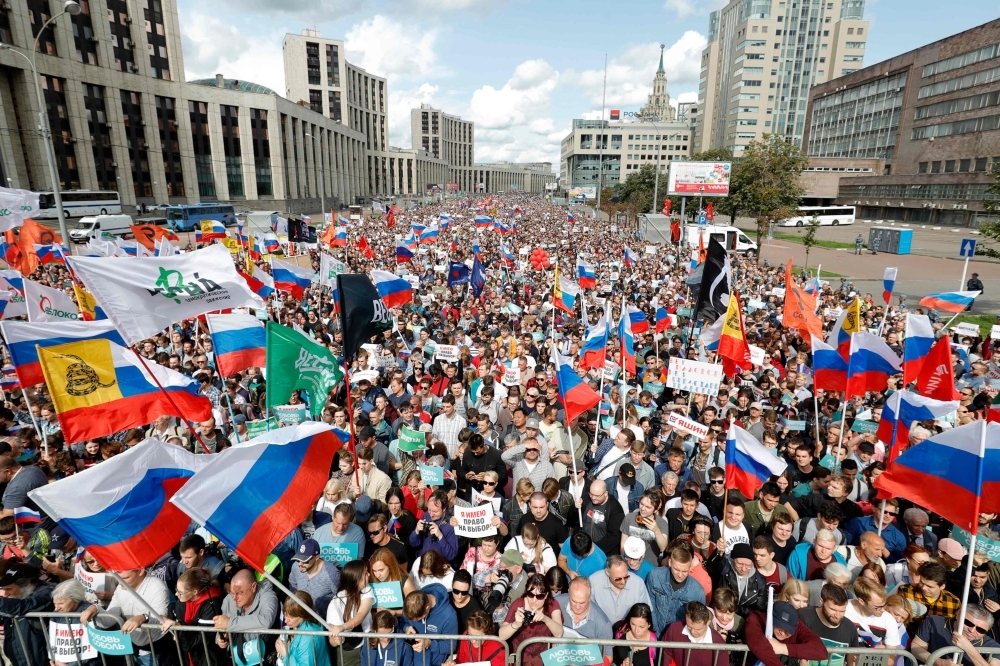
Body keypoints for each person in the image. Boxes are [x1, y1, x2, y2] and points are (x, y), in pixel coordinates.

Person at [82, 565, 173, 666]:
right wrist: (96, 609)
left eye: (125, 578)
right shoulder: (120, 588)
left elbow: (162, 619)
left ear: (140, 571)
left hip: (157, 648)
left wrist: (143, 617)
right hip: (132, 648)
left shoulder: (156, 586)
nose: (120, 582)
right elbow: (109, 620)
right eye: (117, 577)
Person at [161, 568, 225, 666]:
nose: (176, 594)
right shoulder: (181, 601)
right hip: (189, 657)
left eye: (180, 592)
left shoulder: (211, 603)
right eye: (176, 589)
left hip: (208, 658)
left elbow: (203, 639)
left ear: (195, 592)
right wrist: (176, 632)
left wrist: (178, 627)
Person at [744, 600, 828, 666]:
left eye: (788, 630)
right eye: (779, 626)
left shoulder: (798, 624)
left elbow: (821, 651)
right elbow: (759, 646)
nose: (782, 633)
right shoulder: (756, 618)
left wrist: (782, 648)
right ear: (770, 618)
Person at [645, 545, 706, 636]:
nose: (680, 575)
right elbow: (650, 606)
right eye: (676, 569)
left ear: (690, 567)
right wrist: (655, 633)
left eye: (685, 571)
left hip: (679, 638)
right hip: (654, 633)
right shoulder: (654, 576)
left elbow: (697, 621)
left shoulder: (698, 592)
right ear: (670, 562)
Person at [911, 604, 1000, 666]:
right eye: (968, 623)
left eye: (980, 629)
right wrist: (939, 662)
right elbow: (916, 646)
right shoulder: (934, 622)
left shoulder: (993, 646)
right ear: (958, 615)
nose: (972, 630)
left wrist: (968, 648)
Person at [327, 560, 375, 666]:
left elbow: (361, 615)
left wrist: (342, 627)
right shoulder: (336, 602)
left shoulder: (367, 590)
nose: (369, 574)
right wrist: (337, 639)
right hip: (350, 651)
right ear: (356, 578)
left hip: (368, 644)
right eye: (365, 573)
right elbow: (332, 640)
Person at [798, 584, 860, 664]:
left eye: (842, 611)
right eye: (833, 609)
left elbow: (852, 662)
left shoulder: (850, 627)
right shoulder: (804, 617)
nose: (837, 615)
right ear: (821, 601)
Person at [401, 585, 459, 666]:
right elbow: (402, 622)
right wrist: (406, 628)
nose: (414, 622)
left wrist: (430, 644)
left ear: (427, 608)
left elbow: (451, 646)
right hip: (410, 662)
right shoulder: (410, 605)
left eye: (418, 619)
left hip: (435, 663)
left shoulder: (449, 615)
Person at [590, 555, 652, 627]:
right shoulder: (594, 582)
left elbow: (646, 613)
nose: (623, 582)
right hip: (600, 630)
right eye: (618, 579)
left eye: (626, 577)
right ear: (607, 572)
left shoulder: (638, 584)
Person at [275, 592, 334, 666]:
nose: (286, 620)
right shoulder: (312, 618)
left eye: (291, 617)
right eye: (285, 614)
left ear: (303, 614)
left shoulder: (308, 637)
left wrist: (285, 655)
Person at [50, 579, 100, 666]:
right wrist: (55, 660)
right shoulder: (56, 614)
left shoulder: (89, 613)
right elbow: (51, 641)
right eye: (55, 604)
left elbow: (91, 648)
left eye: (61, 603)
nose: (56, 608)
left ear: (75, 599)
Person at [571, 478, 626, 557]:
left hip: (602, 552)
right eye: (591, 494)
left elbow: (614, 536)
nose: (593, 498)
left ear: (606, 493)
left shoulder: (615, 508)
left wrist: (593, 548)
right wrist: (575, 508)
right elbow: (572, 521)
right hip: (582, 548)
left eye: (597, 496)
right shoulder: (585, 498)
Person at [661, 601, 725, 666]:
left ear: (708, 623)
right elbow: (665, 654)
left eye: (698, 629)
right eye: (689, 626)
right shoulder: (674, 629)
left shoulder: (718, 642)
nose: (692, 631)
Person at [711, 542, 767, 617]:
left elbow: (759, 610)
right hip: (721, 615)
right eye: (739, 564)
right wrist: (719, 552)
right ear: (733, 560)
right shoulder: (724, 570)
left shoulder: (760, 582)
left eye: (748, 565)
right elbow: (714, 564)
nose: (743, 569)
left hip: (745, 620)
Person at [844, 577, 900, 650]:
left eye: (885, 604)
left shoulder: (889, 620)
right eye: (877, 607)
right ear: (861, 601)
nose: (883, 610)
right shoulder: (843, 610)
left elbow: (891, 657)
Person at [289, 539, 341, 616]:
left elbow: (342, 598)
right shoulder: (295, 566)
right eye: (298, 559)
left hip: (322, 621)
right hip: (300, 616)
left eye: (305, 560)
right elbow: (293, 585)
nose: (300, 564)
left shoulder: (332, 574)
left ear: (317, 557)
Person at [555, 576, 614, 643]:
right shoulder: (556, 603)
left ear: (589, 597)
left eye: (582, 603)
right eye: (573, 601)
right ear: (569, 592)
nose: (577, 607)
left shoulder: (603, 624)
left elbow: (606, 653)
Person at [896, 561, 962, 619]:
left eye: (929, 586)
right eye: (921, 582)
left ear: (942, 586)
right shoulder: (905, 591)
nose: (923, 587)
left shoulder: (954, 602)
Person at [409, 491, 459, 562]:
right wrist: (416, 531)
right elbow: (413, 544)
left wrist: (440, 537)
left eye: (435, 512)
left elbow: (451, 555)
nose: (431, 514)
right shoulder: (426, 515)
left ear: (444, 509)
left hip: (439, 566)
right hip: (422, 561)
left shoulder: (452, 524)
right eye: (429, 510)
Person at [369, 548, 417, 616]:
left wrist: (394, 612)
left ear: (390, 567)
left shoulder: (404, 582)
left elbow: (415, 608)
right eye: (374, 571)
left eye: (381, 570)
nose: (377, 575)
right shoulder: (371, 581)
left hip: (400, 623)